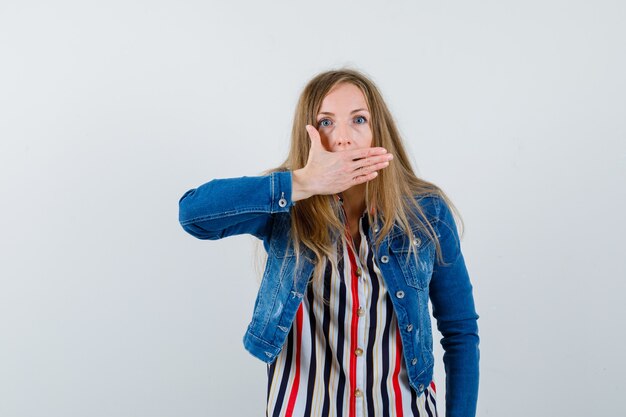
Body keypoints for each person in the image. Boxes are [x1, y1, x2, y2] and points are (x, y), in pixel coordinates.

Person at [178, 69, 479, 417]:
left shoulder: (427, 212)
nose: (343, 138)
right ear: (308, 134)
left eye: (359, 120)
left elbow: (460, 331)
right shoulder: (283, 204)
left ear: (378, 130)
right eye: (325, 122)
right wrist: (302, 183)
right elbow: (193, 215)